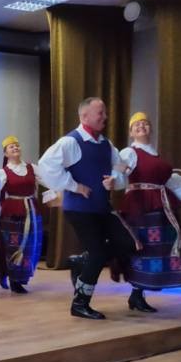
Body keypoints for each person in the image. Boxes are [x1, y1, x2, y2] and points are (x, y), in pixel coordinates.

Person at [38, 97, 136, 319]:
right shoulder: (70, 142)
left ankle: (82, 260)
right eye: (100, 113)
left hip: (102, 207)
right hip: (79, 209)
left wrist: (114, 180)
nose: (105, 117)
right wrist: (74, 186)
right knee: (98, 253)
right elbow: (46, 166)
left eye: (105, 112)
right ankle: (80, 303)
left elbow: (120, 169)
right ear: (84, 116)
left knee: (128, 243)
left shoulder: (106, 144)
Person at [113, 112, 181, 311]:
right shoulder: (129, 152)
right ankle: (137, 293)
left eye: (145, 123)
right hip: (141, 206)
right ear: (131, 132)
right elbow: (119, 175)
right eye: (136, 125)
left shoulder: (154, 154)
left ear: (150, 129)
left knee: (161, 248)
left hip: (160, 205)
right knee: (145, 249)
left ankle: (138, 295)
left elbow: (166, 181)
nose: (141, 126)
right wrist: (114, 179)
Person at [0, 136, 48, 294]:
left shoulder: (32, 168)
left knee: (31, 245)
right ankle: (13, 279)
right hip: (13, 214)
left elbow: (49, 180)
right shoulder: (3, 172)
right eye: (11, 147)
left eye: (17, 145)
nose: (15, 148)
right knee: (13, 245)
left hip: (31, 211)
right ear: (5, 153)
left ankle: (21, 277)